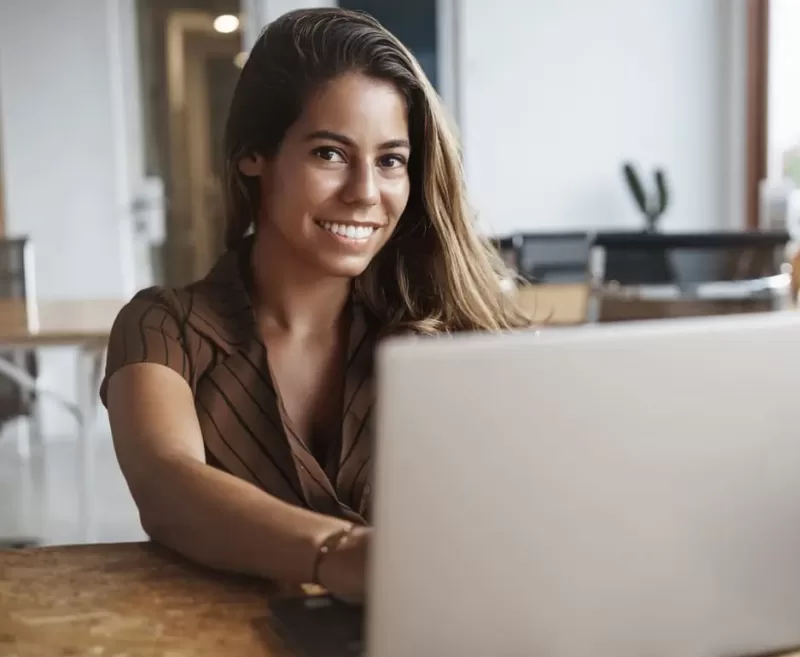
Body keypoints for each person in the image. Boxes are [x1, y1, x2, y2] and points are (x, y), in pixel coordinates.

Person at [101, 8, 525, 603]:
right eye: (329, 153)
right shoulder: (162, 327)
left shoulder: (445, 326)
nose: (365, 193)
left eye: (390, 161)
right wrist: (339, 555)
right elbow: (166, 484)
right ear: (255, 153)